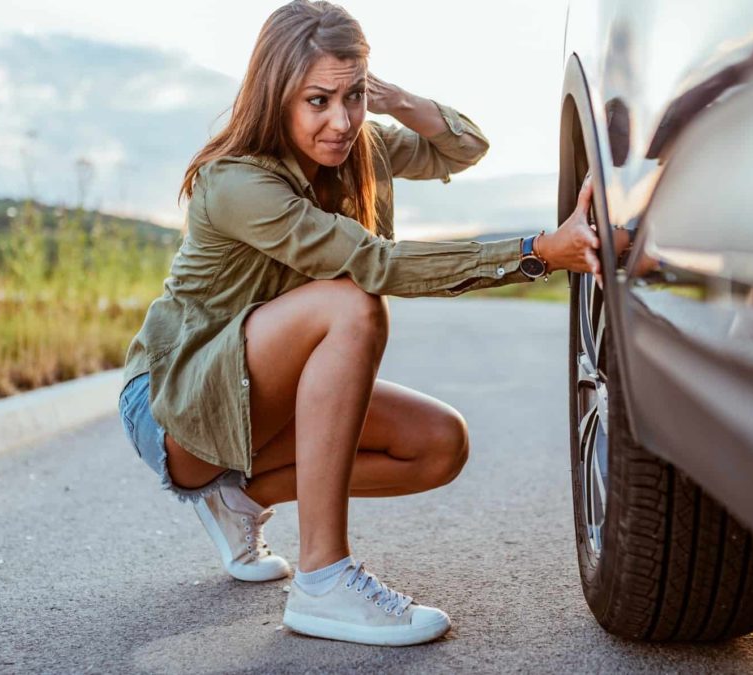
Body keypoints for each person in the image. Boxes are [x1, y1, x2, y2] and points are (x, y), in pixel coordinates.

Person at [117, 0, 600, 646]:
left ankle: (238, 493)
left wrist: (391, 97)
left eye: (353, 96)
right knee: (352, 302)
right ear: (276, 94)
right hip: (173, 401)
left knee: (439, 443)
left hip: (254, 388)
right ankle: (322, 580)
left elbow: (464, 145)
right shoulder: (238, 183)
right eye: (318, 100)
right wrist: (535, 252)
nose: (341, 122)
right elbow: (373, 264)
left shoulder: (357, 144)